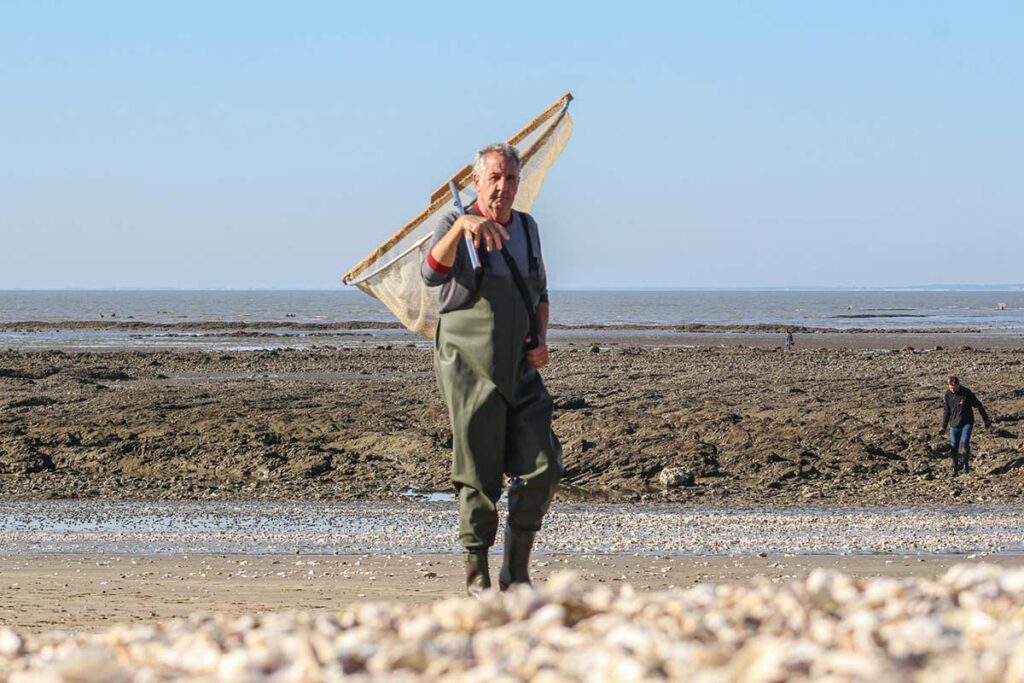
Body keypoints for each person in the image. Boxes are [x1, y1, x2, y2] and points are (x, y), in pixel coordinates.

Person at [421, 142, 563, 594]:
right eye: (495, 178)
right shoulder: (454, 222)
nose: (504, 187)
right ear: (477, 181)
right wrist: (462, 225)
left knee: (544, 464)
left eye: (512, 178)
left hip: (519, 361)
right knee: (478, 472)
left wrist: (540, 341)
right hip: (468, 362)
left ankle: (515, 571)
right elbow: (430, 273)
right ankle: (477, 574)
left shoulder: (526, 228)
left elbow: (539, 294)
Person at [940, 376, 992, 477]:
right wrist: (943, 426)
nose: (953, 389)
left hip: (967, 422)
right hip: (954, 424)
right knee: (954, 445)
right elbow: (947, 412)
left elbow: (978, 405)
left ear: (958, 385)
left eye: (954, 387)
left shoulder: (966, 393)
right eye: (951, 387)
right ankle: (954, 469)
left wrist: (985, 419)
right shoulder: (947, 395)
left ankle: (966, 466)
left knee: (965, 442)